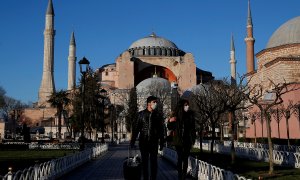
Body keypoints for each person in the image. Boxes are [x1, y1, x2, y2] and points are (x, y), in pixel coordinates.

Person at [130, 95, 165, 180]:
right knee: (145, 163)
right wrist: (132, 141)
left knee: (154, 163)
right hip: (144, 142)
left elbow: (161, 130)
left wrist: (162, 142)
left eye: (156, 102)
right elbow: (136, 129)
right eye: (154, 102)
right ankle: (146, 178)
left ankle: (153, 178)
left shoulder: (158, 115)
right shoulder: (141, 115)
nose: (156, 104)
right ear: (148, 103)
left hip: (154, 142)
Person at [168, 99, 196, 180]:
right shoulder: (175, 116)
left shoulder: (190, 115)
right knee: (180, 158)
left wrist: (193, 139)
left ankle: (183, 175)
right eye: (185, 105)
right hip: (178, 140)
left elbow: (192, 128)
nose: (187, 106)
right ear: (181, 106)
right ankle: (180, 175)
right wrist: (170, 121)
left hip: (187, 140)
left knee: (185, 158)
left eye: (188, 105)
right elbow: (170, 127)